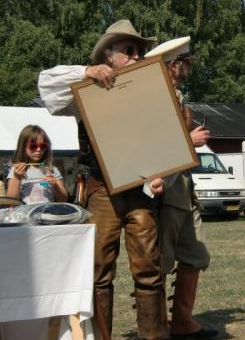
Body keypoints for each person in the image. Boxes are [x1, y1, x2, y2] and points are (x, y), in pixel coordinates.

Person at [38, 20, 168, 339]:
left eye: (139, 50)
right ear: (108, 56)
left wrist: (162, 174)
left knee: (150, 271)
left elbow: (164, 143)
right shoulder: (86, 88)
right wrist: (86, 72)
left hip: (142, 194)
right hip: (101, 192)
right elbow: (45, 85)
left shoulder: (152, 92)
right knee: (97, 273)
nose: (137, 55)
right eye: (128, 50)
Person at [145, 37, 217, 339]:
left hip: (184, 188)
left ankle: (182, 321)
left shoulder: (176, 96)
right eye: (186, 63)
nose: (190, 68)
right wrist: (192, 141)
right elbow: (153, 145)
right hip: (166, 190)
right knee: (160, 262)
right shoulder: (156, 99)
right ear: (175, 65)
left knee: (196, 256)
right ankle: (156, 325)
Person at [6, 125, 68, 204]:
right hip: (26, 214)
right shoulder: (17, 170)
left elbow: (63, 199)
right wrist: (17, 178)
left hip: (48, 214)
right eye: (33, 146)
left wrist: (55, 185)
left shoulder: (52, 169)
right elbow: (11, 201)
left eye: (43, 146)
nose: (38, 150)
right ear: (23, 147)